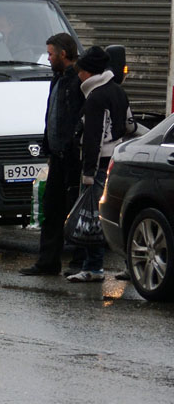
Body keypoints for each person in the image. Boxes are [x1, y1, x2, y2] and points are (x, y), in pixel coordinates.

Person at [19, 33, 85, 276]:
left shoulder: (78, 79)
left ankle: (80, 261)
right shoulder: (57, 78)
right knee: (51, 207)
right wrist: (49, 148)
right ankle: (47, 262)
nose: (48, 58)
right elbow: (53, 115)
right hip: (57, 155)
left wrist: (73, 145)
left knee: (76, 209)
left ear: (63, 54)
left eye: (50, 54)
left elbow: (78, 117)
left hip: (73, 157)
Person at [66, 45, 130, 283]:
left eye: (81, 70)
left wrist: (88, 173)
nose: (79, 74)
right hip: (117, 160)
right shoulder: (117, 91)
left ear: (90, 72)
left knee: (93, 217)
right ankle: (131, 266)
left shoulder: (96, 96)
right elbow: (130, 124)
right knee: (117, 216)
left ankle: (93, 268)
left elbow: (94, 137)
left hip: (99, 164)